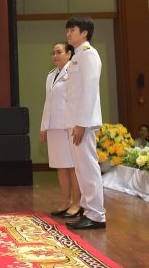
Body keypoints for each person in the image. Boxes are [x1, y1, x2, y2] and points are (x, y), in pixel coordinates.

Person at [64, 15, 106, 230]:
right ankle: (88, 210)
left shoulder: (89, 54)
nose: (68, 33)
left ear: (85, 33)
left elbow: (89, 91)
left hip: (84, 123)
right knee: (81, 169)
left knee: (88, 167)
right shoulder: (77, 56)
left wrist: (81, 123)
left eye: (73, 29)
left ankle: (97, 214)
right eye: (68, 30)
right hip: (76, 121)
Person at [40, 42, 82, 218]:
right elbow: (48, 102)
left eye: (59, 52)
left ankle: (77, 203)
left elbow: (77, 100)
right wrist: (44, 126)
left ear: (69, 54)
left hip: (68, 126)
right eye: (53, 52)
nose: (55, 56)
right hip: (54, 126)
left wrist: (78, 124)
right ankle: (65, 201)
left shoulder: (74, 72)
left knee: (72, 166)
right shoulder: (51, 75)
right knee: (60, 166)